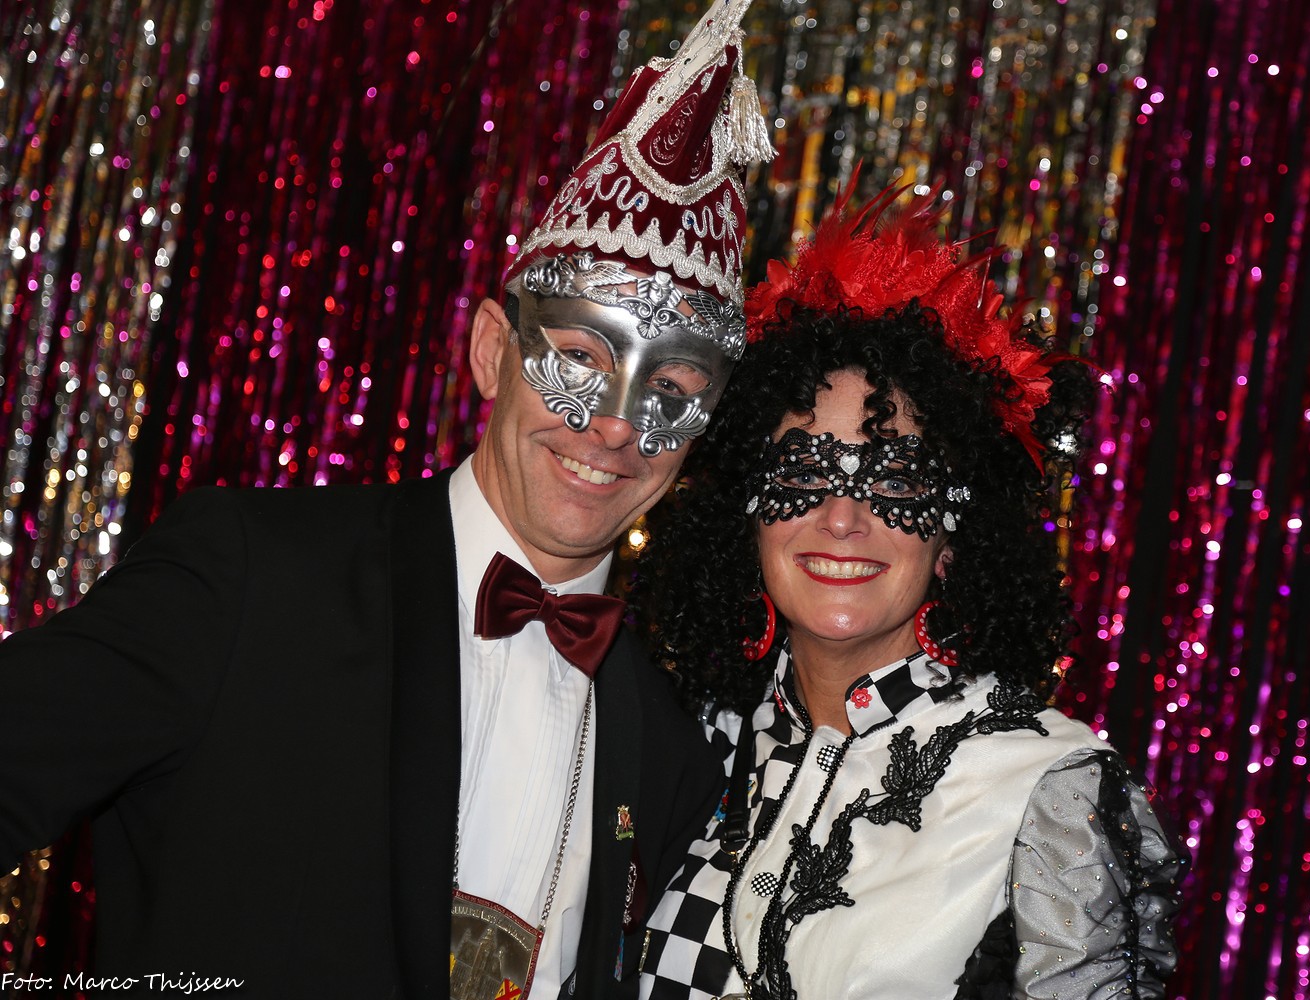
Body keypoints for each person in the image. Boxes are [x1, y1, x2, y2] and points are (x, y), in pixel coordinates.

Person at [0, 2, 773, 997]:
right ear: (491, 351)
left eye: (669, 390)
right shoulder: (251, 577)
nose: (617, 428)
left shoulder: (668, 744)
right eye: (580, 359)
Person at [631, 187, 1187, 999]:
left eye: (895, 482)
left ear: (954, 536)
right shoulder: (684, 738)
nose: (842, 519)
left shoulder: (1047, 791)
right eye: (803, 474)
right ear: (748, 510)